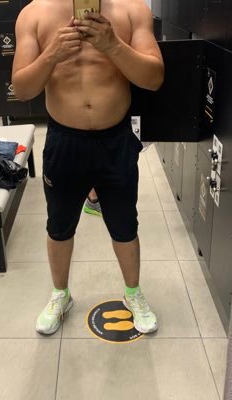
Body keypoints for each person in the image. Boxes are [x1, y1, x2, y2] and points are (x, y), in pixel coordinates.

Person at [12, 0, 164, 335]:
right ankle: (60, 294)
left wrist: (113, 45)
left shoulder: (132, 9)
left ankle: (133, 293)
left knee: (125, 224)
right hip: (65, 141)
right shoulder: (34, 13)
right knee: (59, 225)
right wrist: (51, 55)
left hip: (116, 141)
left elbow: (154, 78)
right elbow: (22, 89)